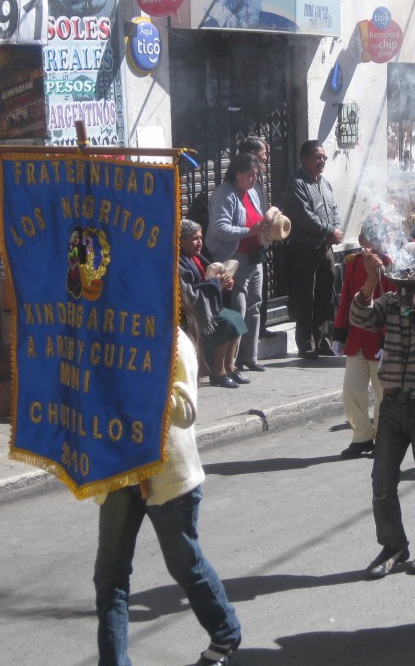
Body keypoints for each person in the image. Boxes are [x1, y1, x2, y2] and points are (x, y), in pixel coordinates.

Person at [93, 300, 241, 666]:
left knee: (185, 566)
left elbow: (186, 411)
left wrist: (138, 379)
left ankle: (225, 634)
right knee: (109, 577)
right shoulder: (110, 337)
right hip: (119, 470)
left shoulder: (174, 341)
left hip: (169, 476)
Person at [350, 241, 415, 578]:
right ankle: (393, 546)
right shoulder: (393, 301)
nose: (413, 288)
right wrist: (370, 280)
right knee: (381, 481)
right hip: (393, 404)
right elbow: (361, 318)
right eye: (407, 281)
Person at [331, 212, 394, 458]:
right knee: (352, 389)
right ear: (361, 238)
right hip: (357, 338)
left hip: (380, 340)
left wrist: (387, 339)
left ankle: (384, 438)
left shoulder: (391, 263)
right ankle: (362, 437)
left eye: (378, 237)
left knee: (382, 393)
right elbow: (346, 297)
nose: (373, 243)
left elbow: (393, 305)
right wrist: (339, 333)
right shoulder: (354, 262)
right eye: (369, 237)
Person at [207, 152, 270, 373]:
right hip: (234, 258)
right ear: (237, 174)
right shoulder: (225, 194)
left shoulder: (251, 192)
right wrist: (249, 230)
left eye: (257, 174)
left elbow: (258, 217)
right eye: (250, 175)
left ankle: (250, 357)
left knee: (255, 305)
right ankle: (230, 362)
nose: (255, 179)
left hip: (254, 255)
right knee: (239, 307)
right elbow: (219, 228)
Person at [284, 140, 342, 359]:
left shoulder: (324, 183)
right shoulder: (296, 184)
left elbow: (333, 209)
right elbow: (303, 215)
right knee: (305, 296)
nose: (322, 161)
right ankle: (306, 343)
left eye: (324, 157)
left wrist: (336, 229)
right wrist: (328, 230)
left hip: (325, 247)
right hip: (304, 248)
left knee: (325, 295)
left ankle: (322, 340)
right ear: (304, 159)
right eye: (318, 157)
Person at [178, 220, 248, 389]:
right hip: (190, 312)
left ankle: (229, 366)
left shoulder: (195, 258)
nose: (200, 242)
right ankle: (217, 372)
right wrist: (217, 285)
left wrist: (222, 285)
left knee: (236, 318)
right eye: (195, 238)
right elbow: (190, 295)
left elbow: (207, 282)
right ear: (181, 240)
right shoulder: (178, 263)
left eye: (200, 238)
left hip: (205, 305)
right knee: (226, 323)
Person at [237, 136, 279, 342]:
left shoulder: (259, 181)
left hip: (258, 242)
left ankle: (259, 331)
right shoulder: (233, 188)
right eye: (263, 154)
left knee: (258, 296)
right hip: (241, 250)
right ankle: (238, 345)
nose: (266, 158)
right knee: (240, 303)